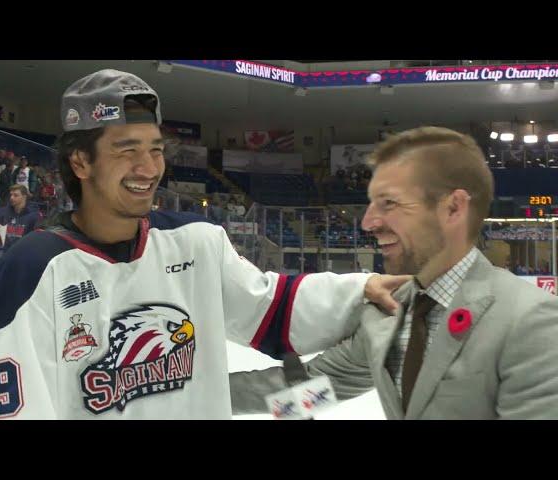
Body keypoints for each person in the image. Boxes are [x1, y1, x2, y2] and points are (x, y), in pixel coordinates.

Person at [0, 69, 408, 420]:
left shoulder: (196, 240)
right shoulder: (34, 268)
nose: (149, 168)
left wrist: (360, 289)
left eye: (156, 149)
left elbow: (270, 311)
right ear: (80, 161)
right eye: (127, 150)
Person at [230, 126, 558, 420]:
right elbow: (308, 393)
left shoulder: (529, 320)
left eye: (390, 204)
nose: (368, 223)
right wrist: (190, 392)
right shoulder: (388, 315)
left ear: (454, 208)